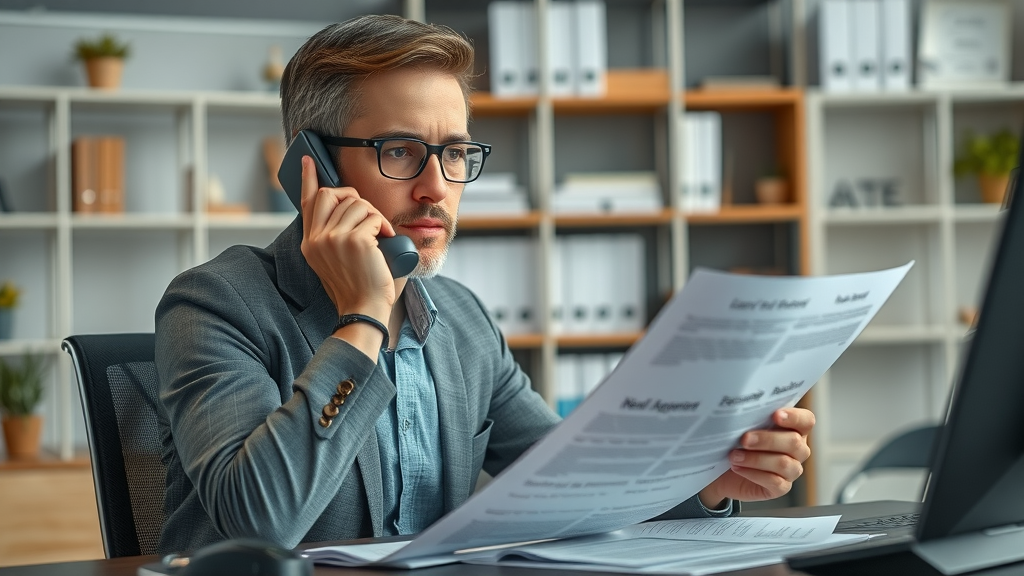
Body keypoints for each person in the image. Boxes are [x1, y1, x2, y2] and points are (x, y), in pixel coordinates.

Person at [154, 13, 815, 554]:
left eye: (455, 153)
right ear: (313, 166)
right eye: (401, 150)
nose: (437, 186)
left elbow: (575, 485)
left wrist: (708, 483)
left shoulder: (459, 318)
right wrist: (361, 319)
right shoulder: (214, 304)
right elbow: (258, 528)